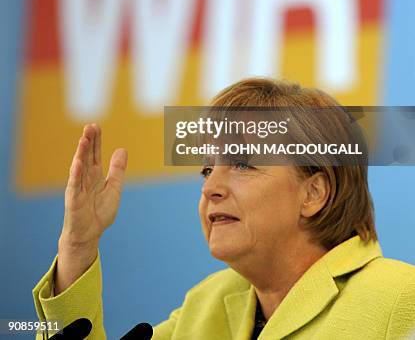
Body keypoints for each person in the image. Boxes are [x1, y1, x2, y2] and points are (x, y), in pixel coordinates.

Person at [33, 78, 415, 339]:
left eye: (242, 164)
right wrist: (78, 245)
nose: (211, 188)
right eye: (206, 170)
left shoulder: (400, 297)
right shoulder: (204, 306)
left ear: (314, 193)